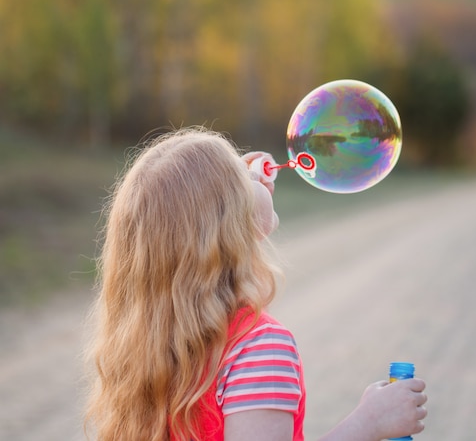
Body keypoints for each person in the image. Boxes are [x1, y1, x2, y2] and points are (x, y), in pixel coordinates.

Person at [84, 127, 427, 441]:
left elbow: (180, 207)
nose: (256, 170)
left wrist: (241, 182)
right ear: (229, 222)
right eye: (241, 175)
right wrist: (367, 424)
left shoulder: (148, 342)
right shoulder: (259, 347)